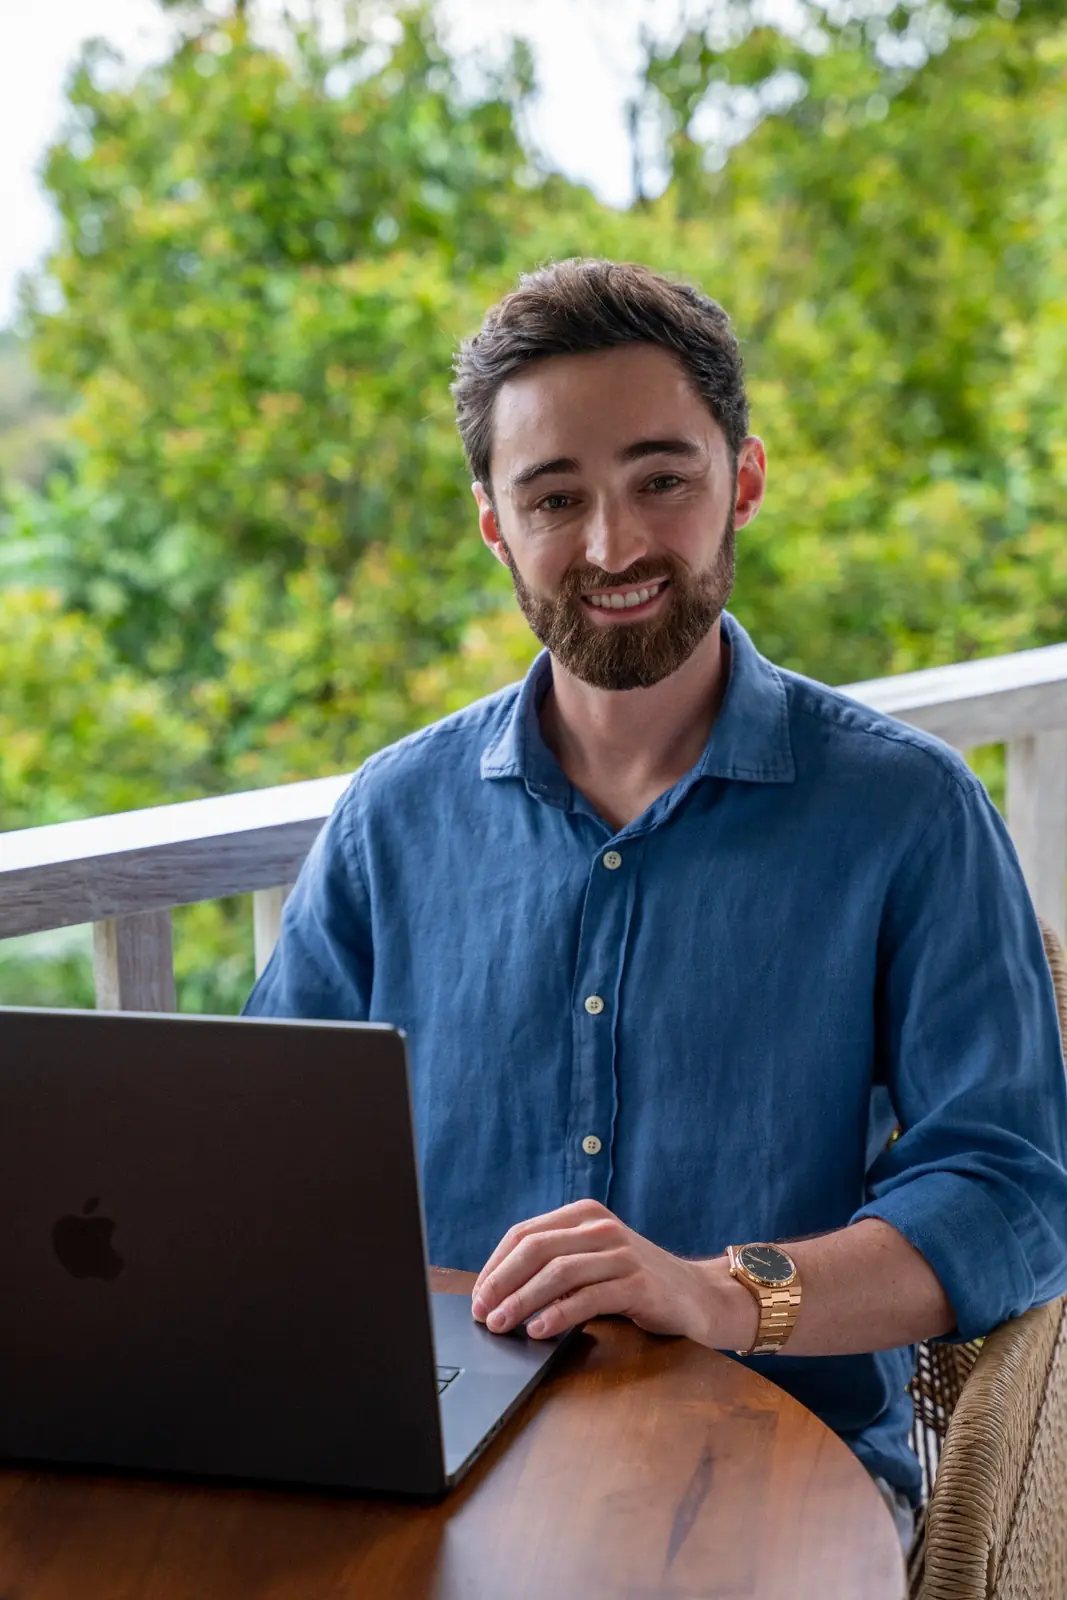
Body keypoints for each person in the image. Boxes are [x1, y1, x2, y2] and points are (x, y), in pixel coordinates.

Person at [244, 258, 1067, 1540]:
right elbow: (259, 1153)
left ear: (741, 478)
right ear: (492, 525)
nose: (612, 545)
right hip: (438, 1463)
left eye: (660, 480)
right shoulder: (390, 817)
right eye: (555, 497)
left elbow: (1009, 1193)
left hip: (773, 1474)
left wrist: (724, 1292)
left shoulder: (906, 811)